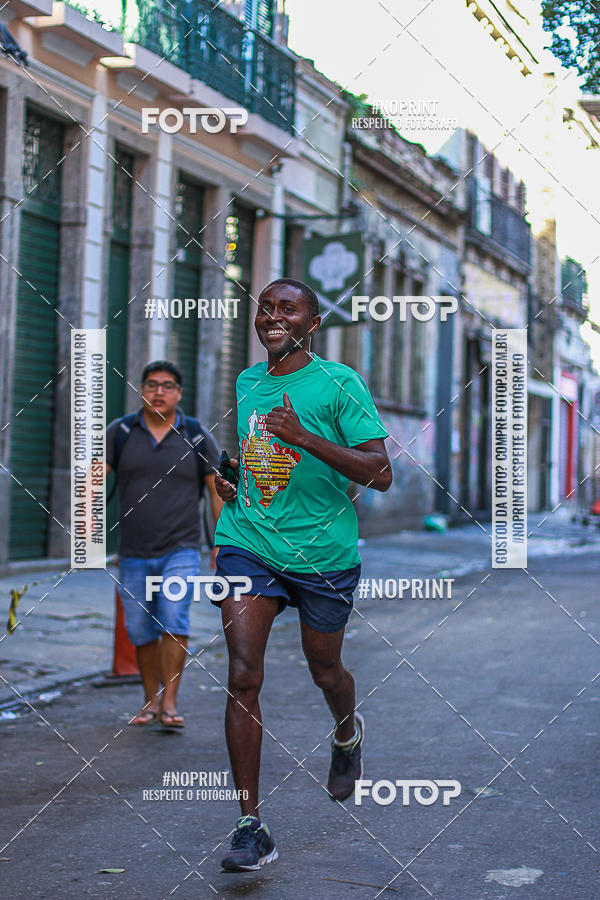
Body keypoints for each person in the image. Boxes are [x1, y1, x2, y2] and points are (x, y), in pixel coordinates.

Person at [212, 278, 392, 871]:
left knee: (325, 669)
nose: (273, 316)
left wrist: (304, 436)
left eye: (287, 309)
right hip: (250, 540)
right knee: (242, 674)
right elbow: (263, 461)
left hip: (323, 554)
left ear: (311, 323)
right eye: (266, 307)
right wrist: (235, 477)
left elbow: (380, 473)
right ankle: (249, 825)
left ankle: (346, 729)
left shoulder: (341, 384)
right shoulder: (249, 382)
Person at [106, 361, 223, 729]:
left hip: (182, 549)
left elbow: (215, 492)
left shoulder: (198, 435)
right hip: (134, 551)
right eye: (152, 384)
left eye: (167, 385)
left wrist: (222, 544)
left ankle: (170, 703)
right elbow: (94, 481)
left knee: (174, 619)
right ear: (141, 389)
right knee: (140, 629)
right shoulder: (120, 432)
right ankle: (150, 700)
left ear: (179, 393)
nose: (159, 391)